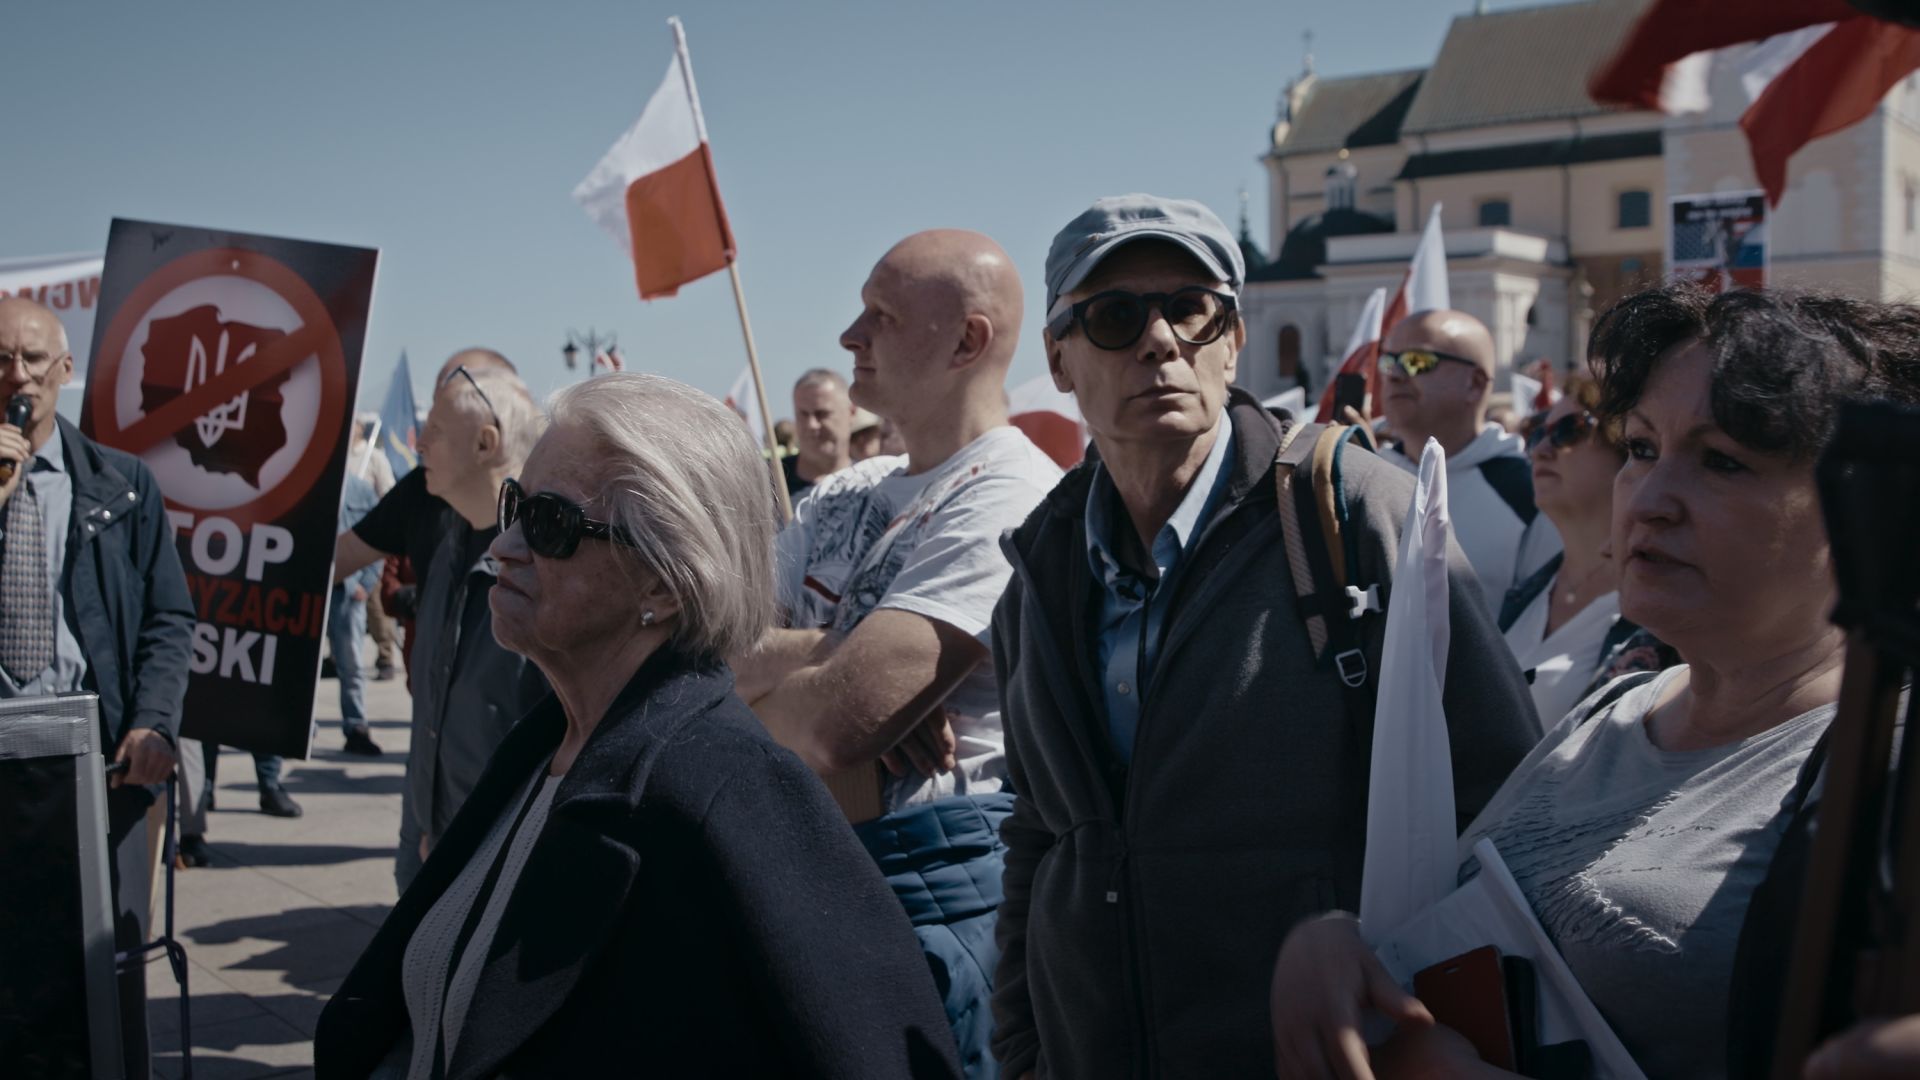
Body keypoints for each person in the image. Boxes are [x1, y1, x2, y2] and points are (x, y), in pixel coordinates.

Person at [1266, 284, 1920, 1080]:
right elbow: (1446, 917)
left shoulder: (1887, 776)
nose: (1650, 501)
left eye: (1722, 460)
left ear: (1869, 509)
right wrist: (1339, 945)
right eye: (1640, 448)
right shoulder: (1613, 708)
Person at [989, 196, 1539, 1079]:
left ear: (1234, 340)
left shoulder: (1354, 513)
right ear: (1058, 358)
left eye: (1192, 309)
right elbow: (1037, 837)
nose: (1161, 341)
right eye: (1116, 316)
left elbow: (1509, 799)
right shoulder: (1040, 570)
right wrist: (1024, 1053)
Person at [315, 373, 962, 1079]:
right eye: (514, 506)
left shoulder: (730, 788)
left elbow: (873, 1051)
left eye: (550, 523)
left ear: (662, 581)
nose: (502, 546)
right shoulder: (544, 744)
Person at [733, 229, 1061, 1076]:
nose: (851, 335)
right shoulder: (841, 491)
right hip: (802, 874)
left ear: (967, 341)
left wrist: (820, 685)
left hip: (927, 892)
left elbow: (827, 729)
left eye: (881, 314)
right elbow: (694, 665)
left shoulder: (1012, 493)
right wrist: (846, 651)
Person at [0, 296, 194, 1078]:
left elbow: (169, 619)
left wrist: (154, 722)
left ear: (65, 369)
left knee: (104, 978)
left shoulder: (122, 484)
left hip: (94, 770)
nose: (16, 376)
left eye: (31, 359)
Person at [338, 354, 548, 892]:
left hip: (500, 860)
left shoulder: (547, 574)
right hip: (436, 830)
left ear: (485, 443)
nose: (418, 444)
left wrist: (474, 834)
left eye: (434, 429)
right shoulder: (449, 546)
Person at [1377, 309, 1562, 612]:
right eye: (1387, 362)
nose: (1394, 375)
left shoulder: (1530, 494)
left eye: (1416, 361)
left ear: (1475, 383)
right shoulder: (1367, 479)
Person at [1498, 376, 1641, 727]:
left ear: (1627, 448)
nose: (1540, 450)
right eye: (1536, 434)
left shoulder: (1655, 610)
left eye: (1568, 430)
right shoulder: (1527, 595)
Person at [332, 468, 383, 755]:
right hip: (309, 590)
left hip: (347, 592)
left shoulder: (361, 490)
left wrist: (367, 581)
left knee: (351, 664)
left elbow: (379, 536)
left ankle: (355, 727)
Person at [784, 367, 857, 497]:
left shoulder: (869, 485)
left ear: (851, 413)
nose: (811, 425)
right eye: (803, 414)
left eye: (822, 414)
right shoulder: (767, 483)